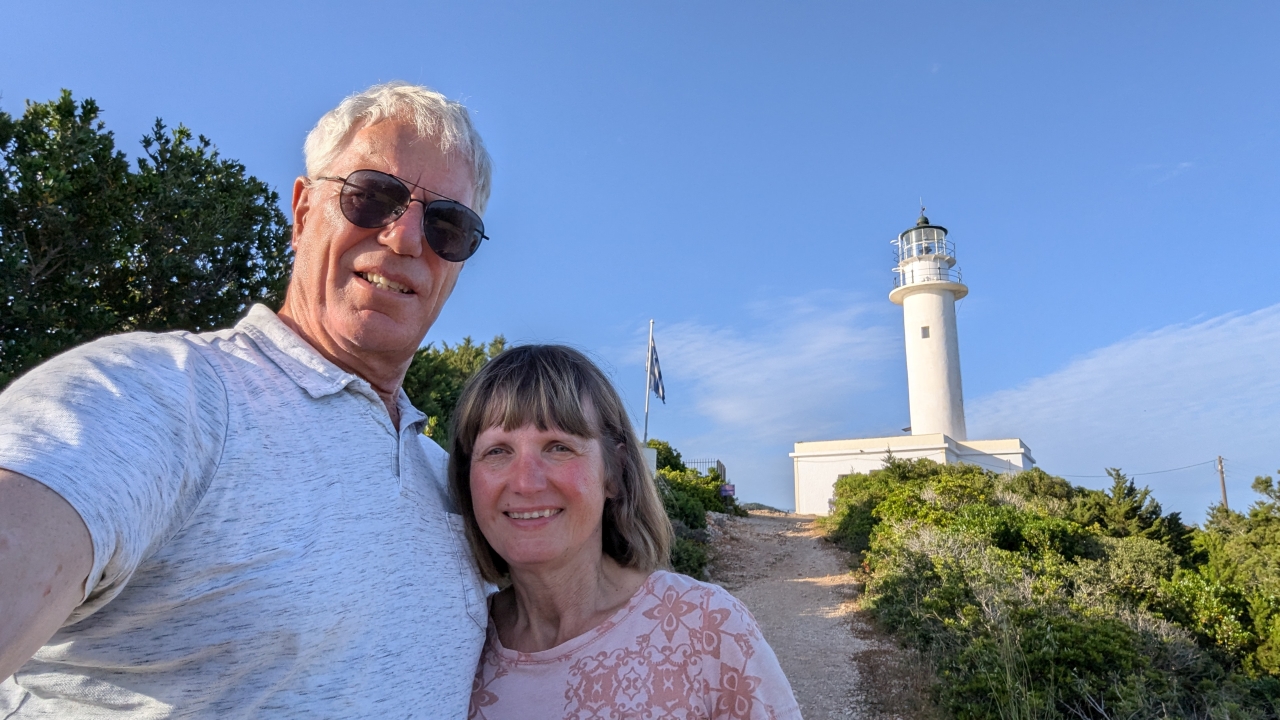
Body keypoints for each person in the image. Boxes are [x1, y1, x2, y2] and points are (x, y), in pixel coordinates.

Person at [0, 81, 494, 717]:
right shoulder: (161, 393)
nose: (404, 239)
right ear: (303, 211)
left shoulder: (459, 480)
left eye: (448, 224)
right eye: (373, 197)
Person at [448, 345, 801, 720]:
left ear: (613, 472)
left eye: (558, 447)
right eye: (497, 451)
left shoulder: (708, 630)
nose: (526, 482)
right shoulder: (456, 641)